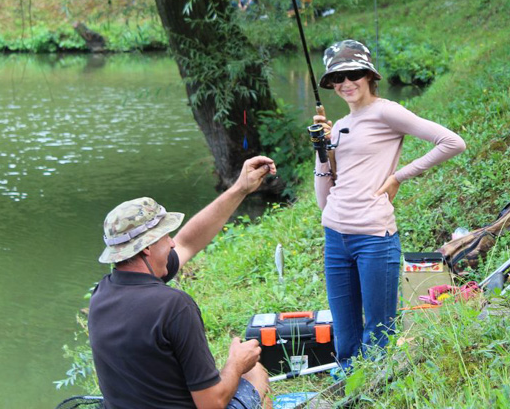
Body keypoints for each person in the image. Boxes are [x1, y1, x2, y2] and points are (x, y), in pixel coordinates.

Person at [311, 40, 465, 372]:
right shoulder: (336, 127)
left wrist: (399, 176)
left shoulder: (386, 111)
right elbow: (324, 198)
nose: (346, 84)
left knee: (379, 332)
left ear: (368, 76)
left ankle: (377, 389)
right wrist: (321, 150)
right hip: (335, 235)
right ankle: (349, 389)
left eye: (353, 74)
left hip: (373, 237)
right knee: (346, 336)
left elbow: (452, 142)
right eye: (338, 79)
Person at [88, 156, 278, 409]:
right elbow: (211, 404)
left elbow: (189, 241)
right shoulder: (174, 306)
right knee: (255, 374)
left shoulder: (102, 294)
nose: (173, 242)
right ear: (146, 248)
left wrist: (239, 188)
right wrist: (237, 363)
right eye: (165, 236)